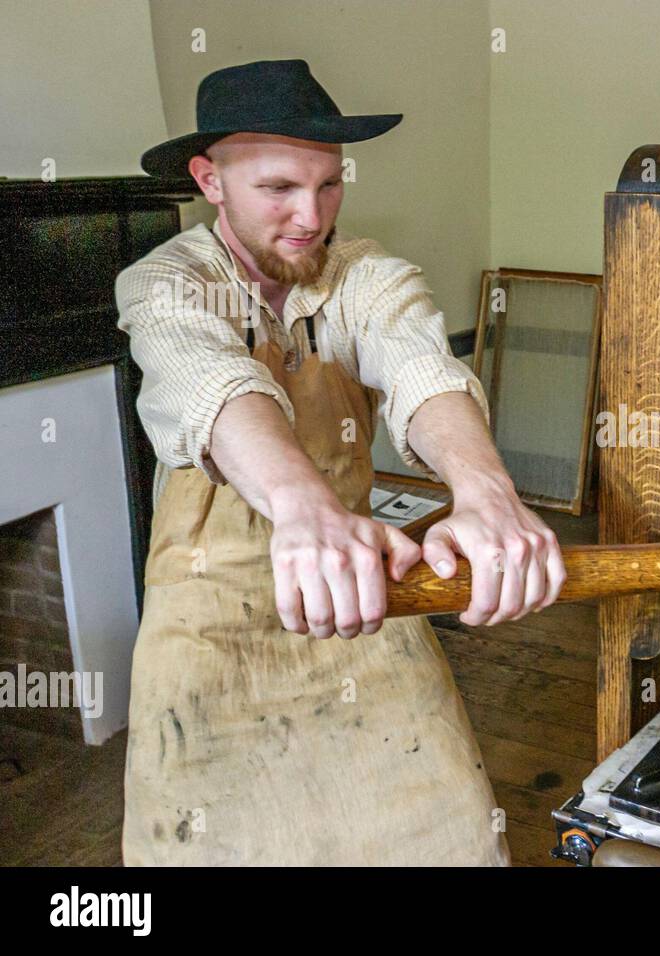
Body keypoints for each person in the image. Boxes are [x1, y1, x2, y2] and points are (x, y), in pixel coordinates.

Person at [115, 59, 563, 865]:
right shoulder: (165, 283)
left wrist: (486, 491)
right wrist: (304, 506)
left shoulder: (363, 274)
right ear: (208, 180)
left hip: (362, 590)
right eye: (279, 188)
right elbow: (213, 382)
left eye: (328, 186)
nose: (309, 216)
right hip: (205, 611)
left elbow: (422, 365)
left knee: (451, 833)